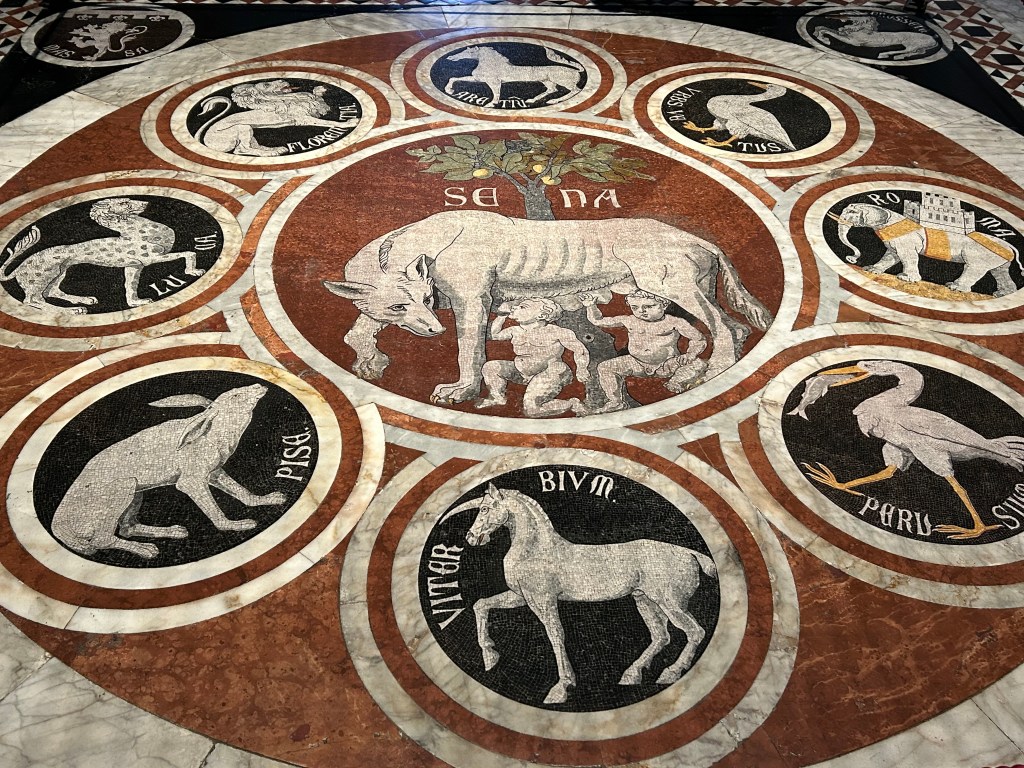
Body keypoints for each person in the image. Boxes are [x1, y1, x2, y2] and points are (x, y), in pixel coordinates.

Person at [579, 290, 707, 413]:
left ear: (664, 305)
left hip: (667, 364)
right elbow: (598, 321)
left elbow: (699, 339)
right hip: (636, 363)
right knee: (605, 367)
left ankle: (677, 381)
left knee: (698, 363)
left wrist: (691, 354)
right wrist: (590, 306)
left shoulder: (674, 322)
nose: (641, 311)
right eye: (635, 307)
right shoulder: (629, 320)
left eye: (649, 306)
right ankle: (615, 402)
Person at [475, 298, 590, 417]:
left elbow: (580, 350)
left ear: (542, 315)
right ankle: (497, 397)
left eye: (523, 307)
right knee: (491, 367)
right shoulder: (515, 330)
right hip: (521, 372)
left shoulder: (556, 331)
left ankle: (571, 403)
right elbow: (495, 335)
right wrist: (501, 317)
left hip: (550, 372)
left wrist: (582, 369)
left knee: (532, 410)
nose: (514, 307)